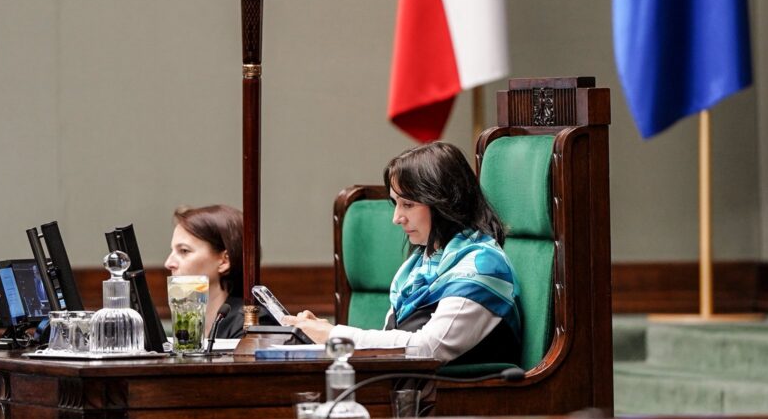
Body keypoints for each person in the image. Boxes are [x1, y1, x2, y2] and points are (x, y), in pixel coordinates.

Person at [285, 141, 522, 366]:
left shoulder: (482, 266)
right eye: (395, 203)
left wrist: (334, 335)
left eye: (407, 204)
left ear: (445, 203)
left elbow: (428, 349)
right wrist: (320, 333)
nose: (396, 218)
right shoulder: (420, 264)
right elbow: (393, 344)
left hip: (452, 393)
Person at [164, 204, 269, 339]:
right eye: (172, 250)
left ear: (224, 261)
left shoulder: (252, 322)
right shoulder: (189, 322)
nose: (169, 263)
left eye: (184, 251)